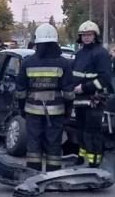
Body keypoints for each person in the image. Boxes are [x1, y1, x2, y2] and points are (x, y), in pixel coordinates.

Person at [16, 24, 74, 172]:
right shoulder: (63, 63)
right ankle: (52, 177)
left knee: (33, 145)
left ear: (37, 42)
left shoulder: (28, 62)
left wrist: (22, 108)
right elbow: (68, 93)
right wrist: (67, 112)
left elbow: (20, 90)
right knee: (54, 144)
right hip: (56, 113)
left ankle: (33, 175)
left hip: (32, 112)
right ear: (56, 41)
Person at [71, 20, 115, 168]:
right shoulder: (79, 54)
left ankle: (94, 162)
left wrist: (84, 88)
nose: (86, 37)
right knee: (81, 130)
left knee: (93, 132)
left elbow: (104, 79)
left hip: (94, 100)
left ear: (95, 35)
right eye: (83, 35)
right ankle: (81, 157)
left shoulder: (101, 54)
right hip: (79, 100)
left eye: (89, 34)